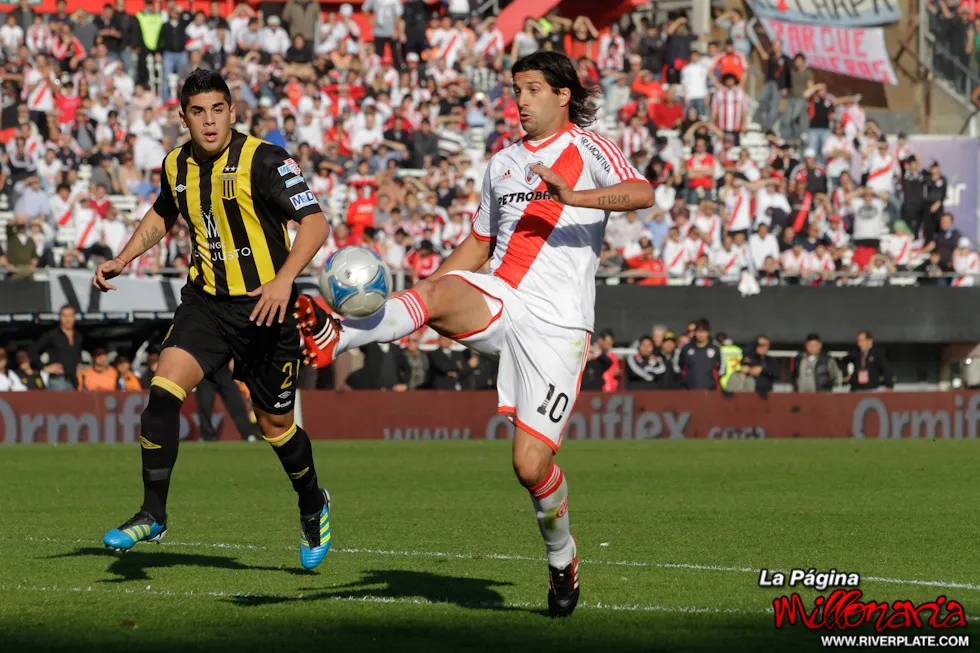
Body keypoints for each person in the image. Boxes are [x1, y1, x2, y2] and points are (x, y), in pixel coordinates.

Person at [296, 51, 653, 617]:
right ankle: (334, 336)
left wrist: (574, 197)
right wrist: (417, 301)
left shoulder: (589, 148)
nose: (521, 101)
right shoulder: (502, 164)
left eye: (533, 89)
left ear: (563, 95)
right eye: (516, 90)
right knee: (437, 291)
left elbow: (642, 193)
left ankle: (563, 560)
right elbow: (480, 245)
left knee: (530, 468)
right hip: (504, 296)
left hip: (559, 327)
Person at [92, 70, 332, 570]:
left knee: (276, 428)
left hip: (266, 307)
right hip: (206, 303)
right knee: (161, 395)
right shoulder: (175, 164)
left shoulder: (265, 160)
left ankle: (313, 503)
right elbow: (164, 212)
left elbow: (315, 223)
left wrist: (286, 278)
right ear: (183, 117)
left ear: (232, 112)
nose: (208, 121)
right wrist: (124, 256)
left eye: (217, 109)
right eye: (198, 111)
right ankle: (152, 513)